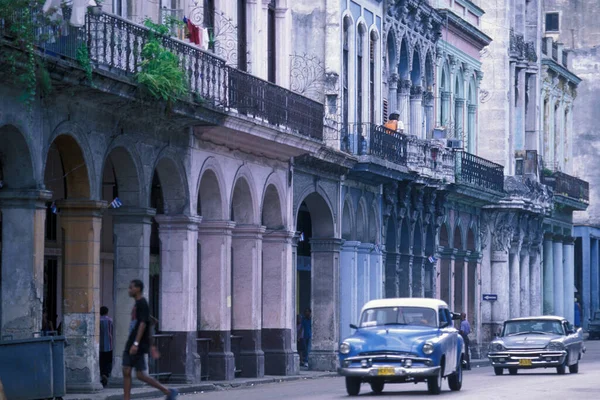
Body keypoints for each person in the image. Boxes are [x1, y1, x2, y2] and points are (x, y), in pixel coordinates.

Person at [123, 279, 177, 400]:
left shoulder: (142, 303)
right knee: (128, 371)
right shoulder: (138, 304)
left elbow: (143, 324)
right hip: (132, 343)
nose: (129, 290)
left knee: (139, 374)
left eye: (131, 288)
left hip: (136, 344)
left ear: (137, 289)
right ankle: (126, 398)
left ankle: (168, 391)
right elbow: (150, 321)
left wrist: (136, 343)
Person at [99, 306, 114, 387]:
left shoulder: (98, 321)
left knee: (101, 361)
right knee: (108, 361)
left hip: (99, 346)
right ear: (107, 312)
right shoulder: (110, 320)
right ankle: (106, 374)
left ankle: (102, 374)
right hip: (109, 345)